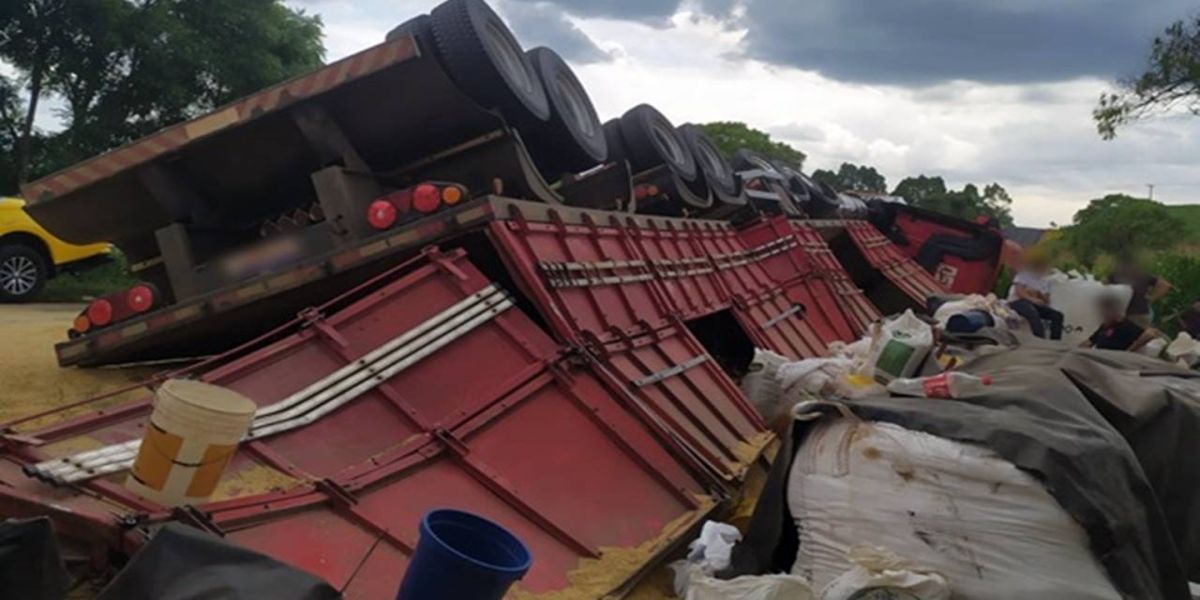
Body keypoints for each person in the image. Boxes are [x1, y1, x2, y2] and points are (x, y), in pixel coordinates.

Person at [1006, 248, 1064, 339]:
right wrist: (1032, 299)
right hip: (1019, 302)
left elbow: (1047, 300)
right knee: (1032, 312)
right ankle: (1039, 339)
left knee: (1057, 316)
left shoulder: (1046, 281)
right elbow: (1019, 292)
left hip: (1036, 303)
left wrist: (1039, 294)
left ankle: (1055, 342)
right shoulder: (1024, 275)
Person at [1107, 255, 1171, 328]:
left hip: (1129, 314)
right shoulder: (1142, 275)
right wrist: (1151, 298)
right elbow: (1165, 285)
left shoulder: (1116, 276)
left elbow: (1102, 285)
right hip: (1142, 312)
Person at [1082, 294, 1160, 352]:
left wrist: (1129, 351)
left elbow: (1150, 334)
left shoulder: (1125, 326)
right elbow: (1089, 342)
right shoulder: (1104, 326)